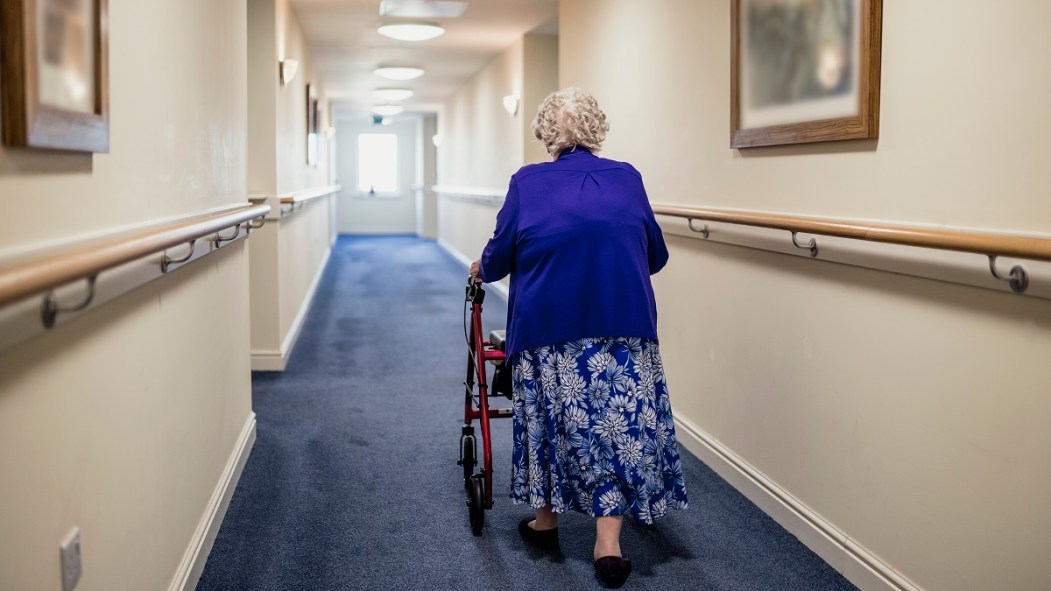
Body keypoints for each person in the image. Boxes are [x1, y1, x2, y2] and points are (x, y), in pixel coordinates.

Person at [470, 87, 688, 588]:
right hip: (623, 326)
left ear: (548, 135)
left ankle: (546, 521)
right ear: (596, 130)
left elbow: (500, 257)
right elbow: (655, 255)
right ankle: (608, 545)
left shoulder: (527, 182)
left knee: (551, 418)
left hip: (550, 330)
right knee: (616, 429)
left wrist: (485, 266)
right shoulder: (628, 178)